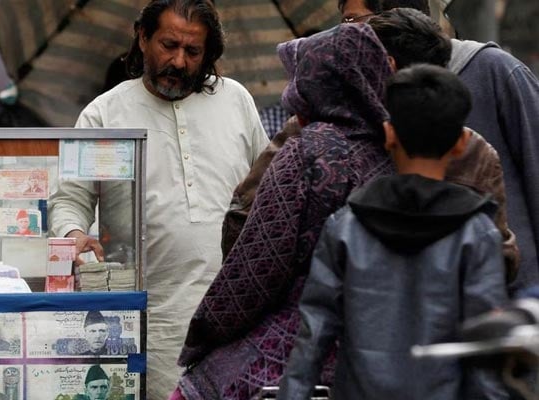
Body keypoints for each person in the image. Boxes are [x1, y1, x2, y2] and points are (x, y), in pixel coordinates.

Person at [48, 1, 269, 396]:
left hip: (237, 312)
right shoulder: (104, 115)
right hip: (155, 321)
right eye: (168, 45)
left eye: (193, 51)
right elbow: (70, 199)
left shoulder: (235, 99)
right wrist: (75, 232)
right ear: (143, 37)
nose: (179, 62)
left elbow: (267, 188)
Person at [174, 23, 395, 399]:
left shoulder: (308, 152)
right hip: (384, 357)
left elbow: (257, 267)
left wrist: (205, 334)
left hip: (297, 352)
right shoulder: (400, 153)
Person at [278, 63, 509, 399]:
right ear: (461, 143)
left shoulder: (345, 228)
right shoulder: (477, 234)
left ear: (388, 134)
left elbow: (313, 337)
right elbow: (486, 355)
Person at [340, 0, 539, 295]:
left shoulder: (493, 69)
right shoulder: (365, 102)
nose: (346, 37)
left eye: (353, 21)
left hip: (517, 294)